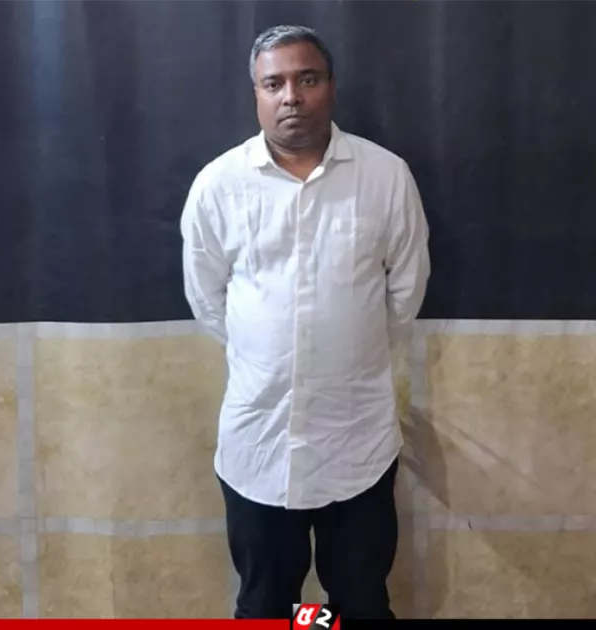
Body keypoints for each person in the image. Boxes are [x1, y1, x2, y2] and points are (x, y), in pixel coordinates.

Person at [180, 24, 431, 620]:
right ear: (257, 94)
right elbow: (208, 300)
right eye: (274, 84)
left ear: (331, 87)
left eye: (306, 79)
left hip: (356, 442)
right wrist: (272, 352)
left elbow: (404, 292)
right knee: (267, 607)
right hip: (259, 445)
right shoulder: (219, 186)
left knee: (361, 606)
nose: (290, 96)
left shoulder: (384, 176)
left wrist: (344, 347)